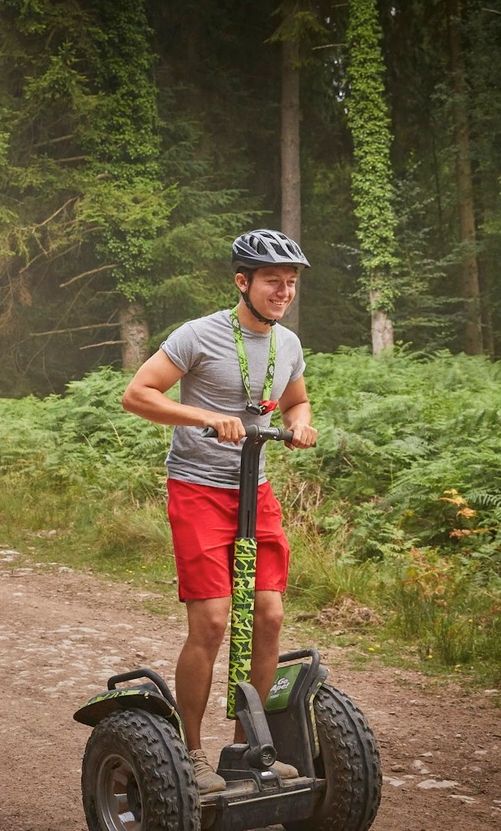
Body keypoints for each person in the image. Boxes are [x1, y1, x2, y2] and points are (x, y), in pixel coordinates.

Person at [121, 229, 318, 794]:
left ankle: (246, 749)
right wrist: (203, 417)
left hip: (254, 490)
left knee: (269, 617)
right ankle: (191, 753)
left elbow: (296, 398)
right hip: (199, 490)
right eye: (272, 281)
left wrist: (301, 422)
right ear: (243, 282)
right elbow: (138, 394)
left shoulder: (289, 344)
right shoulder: (198, 335)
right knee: (210, 623)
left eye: (290, 282)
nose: (283, 291)